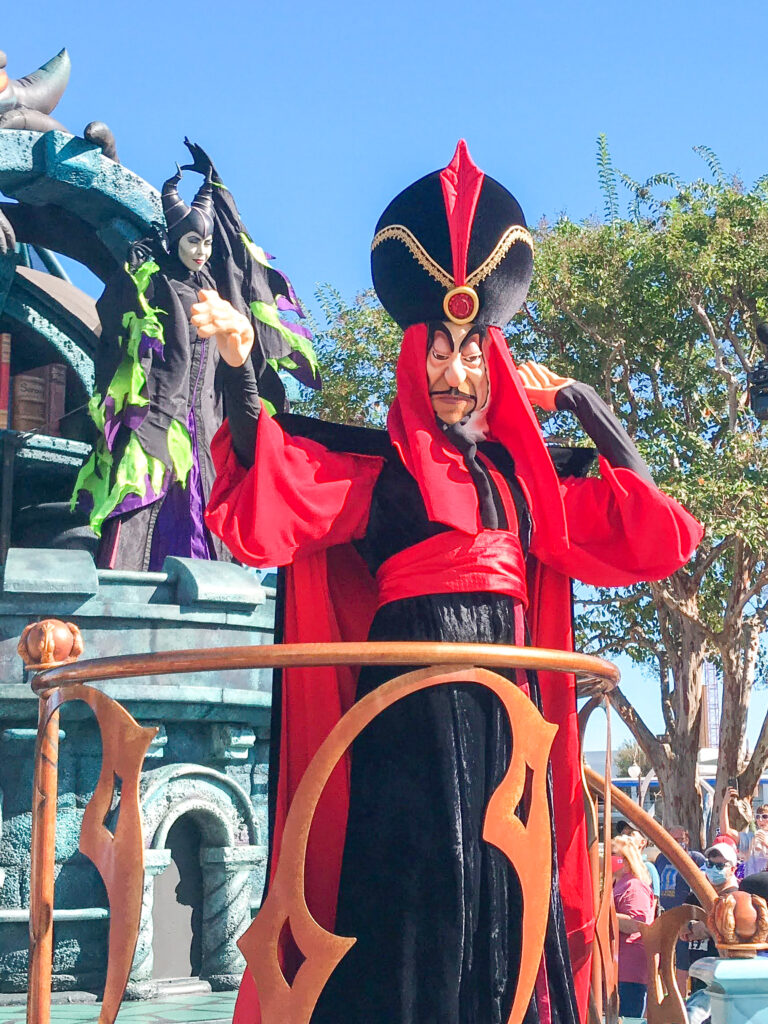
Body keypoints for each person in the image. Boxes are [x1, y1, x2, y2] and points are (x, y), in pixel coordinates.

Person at [202, 141, 703, 1024]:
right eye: (438, 352)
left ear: (496, 363)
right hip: (402, 726)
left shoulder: (529, 486)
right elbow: (268, 491)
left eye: (473, 353)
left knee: (508, 890)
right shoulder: (377, 472)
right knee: (412, 891)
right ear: (411, 356)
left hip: (508, 720)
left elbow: (653, 533)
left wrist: (586, 403)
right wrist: (242, 362)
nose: (456, 372)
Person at [73, 140, 317, 570]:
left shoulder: (218, 292)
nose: (201, 249)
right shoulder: (152, 283)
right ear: (175, 239)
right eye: (192, 240)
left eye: (206, 241)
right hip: (156, 425)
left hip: (208, 431)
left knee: (212, 535)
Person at [653, 826, 706, 994]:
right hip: (665, 915)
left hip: (685, 917)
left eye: (681, 839)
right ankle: (666, 998)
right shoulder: (661, 858)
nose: (677, 843)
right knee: (664, 961)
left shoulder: (696, 858)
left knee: (682, 963)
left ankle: (682, 1001)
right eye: (673, 839)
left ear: (687, 839)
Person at [682, 841, 739, 992]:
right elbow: (680, 926)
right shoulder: (694, 896)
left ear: (733, 869)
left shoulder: (737, 898)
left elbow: (729, 930)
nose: (714, 869)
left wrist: (705, 926)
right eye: (710, 864)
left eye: (720, 866)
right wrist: (692, 926)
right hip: (698, 974)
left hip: (723, 976)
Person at [612, 835, 656, 1019]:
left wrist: (605, 916)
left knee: (629, 1018)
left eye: (614, 855)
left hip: (630, 968)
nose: (609, 858)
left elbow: (637, 922)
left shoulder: (634, 886)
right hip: (618, 967)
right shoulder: (619, 884)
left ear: (626, 860)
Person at [719, 788, 768, 877]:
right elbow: (725, 831)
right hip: (751, 883)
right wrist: (725, 803)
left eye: (765, 816)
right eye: (758, 817)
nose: (760, 820)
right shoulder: (750, 837)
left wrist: (766, 843)